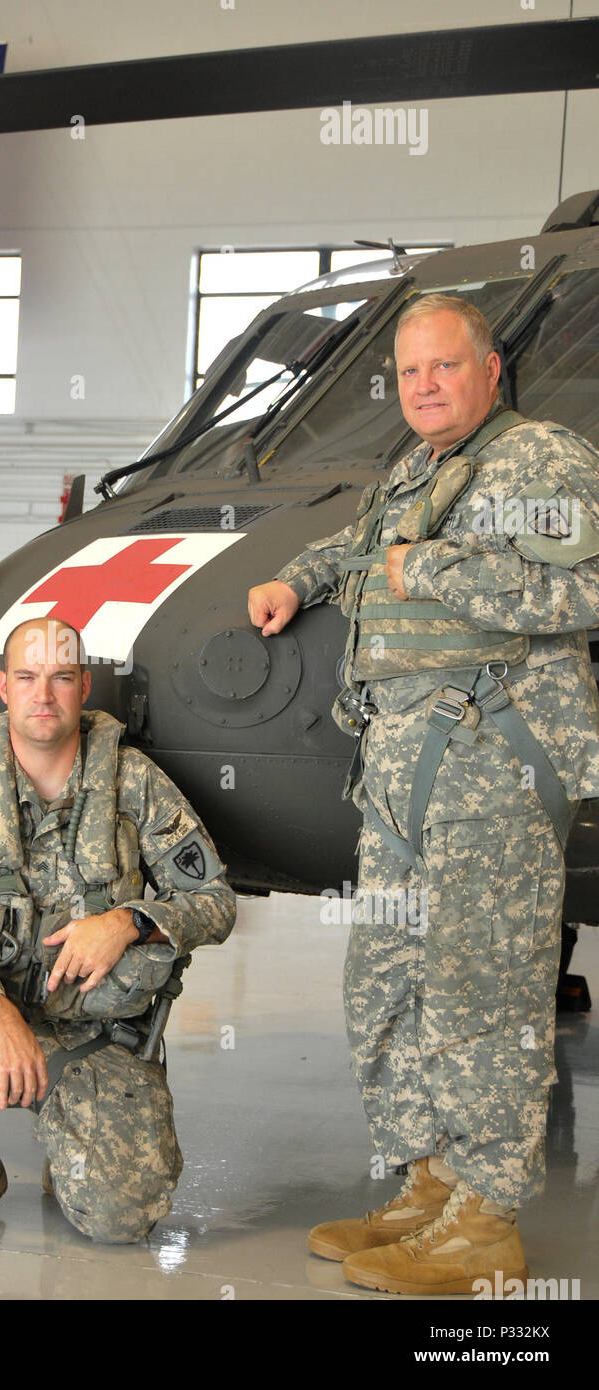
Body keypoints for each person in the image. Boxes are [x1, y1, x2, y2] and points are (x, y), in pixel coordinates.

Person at [248, 294, 599, 1294]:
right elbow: (364, 550)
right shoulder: (416, 468)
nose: (424, 386)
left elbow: (580, 587)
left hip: (493, 755)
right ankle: (427, 1182)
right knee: (386, 985)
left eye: (443, 367)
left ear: (489, 369)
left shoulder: (539, 458)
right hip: (404, 768)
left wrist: (433, 568)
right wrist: (297, 580)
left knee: (476, 989)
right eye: (407, 373)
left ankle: (484, 1221)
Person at [0, 616, 236, 1242]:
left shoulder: (135, 781)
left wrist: (129, 922)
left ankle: (72, 1141)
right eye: (29, 678)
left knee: (123, 1221)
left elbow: (215, 900)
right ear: (4, 688)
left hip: (96, 1032)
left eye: (61, 678)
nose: (44, 695)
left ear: (83, 686)